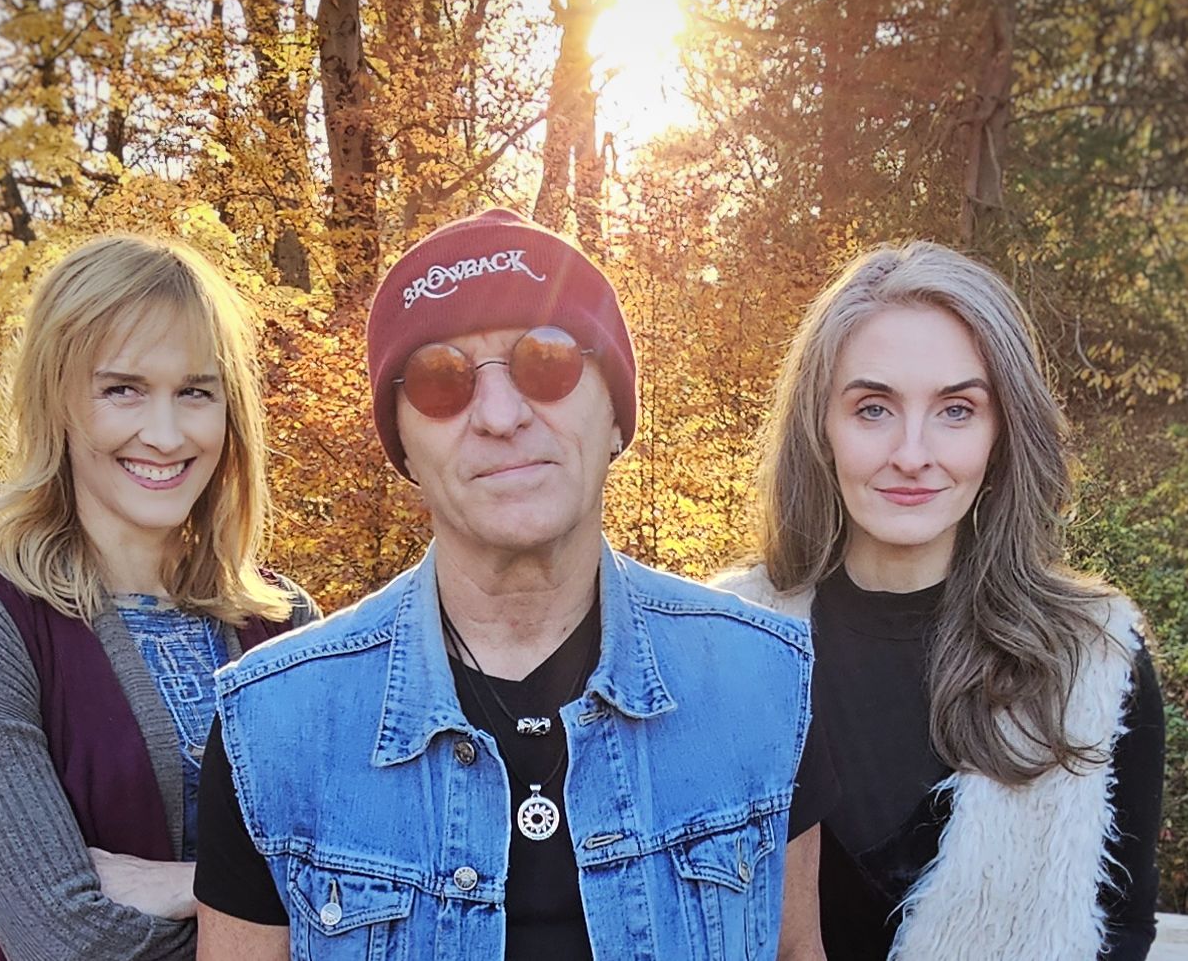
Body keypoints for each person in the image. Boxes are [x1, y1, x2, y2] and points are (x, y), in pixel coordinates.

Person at [193, 207, 834, 959]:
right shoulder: (275, 728)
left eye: (547, 362)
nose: (500, 415)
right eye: (440, 380)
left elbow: (797, 949)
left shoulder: (762, 681)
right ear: (404, 448)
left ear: (617, 415)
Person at [714, 241, 1165, 961]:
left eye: (956, 409)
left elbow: (1122, 928)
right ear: (820, 427)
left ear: (1001, 433)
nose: (912, 453)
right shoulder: (722, 638)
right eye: (873, 408)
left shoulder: (1094, 660)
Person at [0, 235, 317, 961]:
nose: (164, 434)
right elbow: (65, 940)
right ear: (58, 403)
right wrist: (293, 912)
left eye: (195, 391)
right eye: (122, 389)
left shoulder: (286, 623)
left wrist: (183, 884)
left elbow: (382, 887)